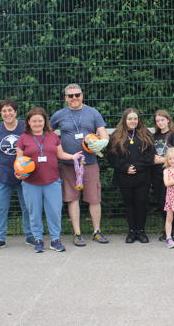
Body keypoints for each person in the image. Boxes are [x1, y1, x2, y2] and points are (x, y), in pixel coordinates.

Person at [50, 84, 110, 247]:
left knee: (94, 198)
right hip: (68, 164)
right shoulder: (59, 115)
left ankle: (97, 231)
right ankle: (77, 233)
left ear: (82, 95)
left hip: (90, 163)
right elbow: (48, 134)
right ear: (65, 98)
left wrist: (102, 143)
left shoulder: (93, 112)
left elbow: (103, 133)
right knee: (72, 198)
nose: (74, 98)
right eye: (70, 96)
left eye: (77, 95)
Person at [16, 107, 81, 253]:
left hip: (52, 180)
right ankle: (38, 239)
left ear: (45, 121)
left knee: (54, 211)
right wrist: (18, 173)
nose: (37, 123)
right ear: (28, 122)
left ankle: (55, 240)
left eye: (40, 120)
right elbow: (18, 160)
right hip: (31, 182)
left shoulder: (52, 136)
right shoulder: (23, 138)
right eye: (34, 121)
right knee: (34, 212)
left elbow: (61, 154)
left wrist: (73, 157)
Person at [0, 99, 32, 250]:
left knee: (28, 206)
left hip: (25, 175)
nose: (7, 113)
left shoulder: (26, 127)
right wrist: (5, 161)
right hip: (3, 176)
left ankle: (30, 235)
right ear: (1, 113)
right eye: (4, 111)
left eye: (10, 110)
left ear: (16, 112)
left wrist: (23, 164)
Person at [106, 108, 155, 244]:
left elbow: (150, 155)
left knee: (141, 203)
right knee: (129, 204)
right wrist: (125, 167)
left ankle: (141, 231)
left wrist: (137, 167)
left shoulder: (146, 134)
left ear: (138, 120)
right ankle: (132, 231)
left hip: (143, 177)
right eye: (130, 119)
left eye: (135, 118)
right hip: (124, 177)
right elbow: (111, 156)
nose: (133, 121)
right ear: (125, 120)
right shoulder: (116, 136)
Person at [151, 109, 174, 241]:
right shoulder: (154, 136)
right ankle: (167, 230)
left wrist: (163, 160)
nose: (160, 122)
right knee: (162, 202)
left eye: (162, 120)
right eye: (158, 121)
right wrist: (153, 159)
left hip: (170, 175)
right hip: (157, 174)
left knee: (172, 202)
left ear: (168, 120)